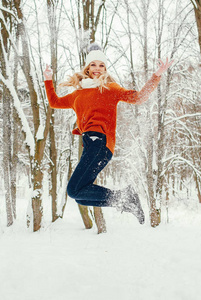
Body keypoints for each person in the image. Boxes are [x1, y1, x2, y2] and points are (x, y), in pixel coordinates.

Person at [43, 44, 173, 224]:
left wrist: (156, 75)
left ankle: (125, 197)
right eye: (93, 65)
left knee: (73, 190)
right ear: (87, 68)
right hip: (90, 144)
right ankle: (125, 201)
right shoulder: (78, 94)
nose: (97, 69)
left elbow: (138, 97)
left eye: (101, 65)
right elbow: (54, 102)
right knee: (80, 195)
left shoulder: (110, 88)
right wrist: (48, 80)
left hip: (100, 142)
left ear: (105, 68)